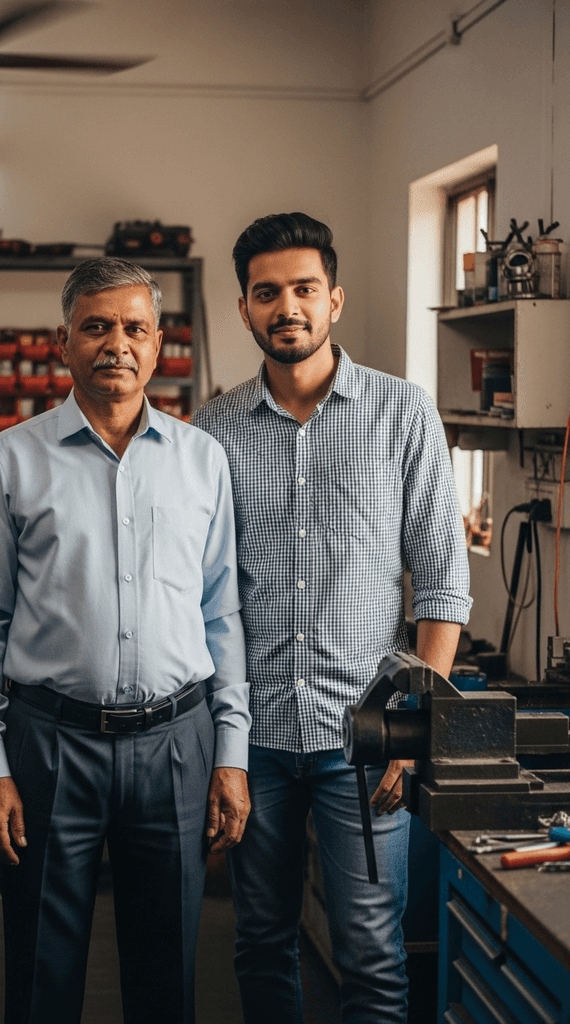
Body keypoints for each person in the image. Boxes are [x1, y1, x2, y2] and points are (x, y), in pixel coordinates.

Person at [0, 256, 251, 1024]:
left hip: (177, 744)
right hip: (49, 744)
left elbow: (221, 614)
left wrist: (230, 753)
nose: (116, 343)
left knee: (166, 975)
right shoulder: (9, 459)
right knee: (41, 975)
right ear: (63, 343)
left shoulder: (202, 461)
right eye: (96, 326)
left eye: (134, 328)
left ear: (158, 344)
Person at [192, 212, 472, 1024]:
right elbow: (201, 594)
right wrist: (217, 741)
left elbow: (443, 579)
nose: (287, 307)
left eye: (304, 289)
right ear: (244, 309)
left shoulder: (402, 412)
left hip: (368, 739)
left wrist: (414, 729)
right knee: (259, 941)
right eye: (266, 292)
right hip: (253, 738)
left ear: (334, 300)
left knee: (372, 954)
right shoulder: (211, 432)